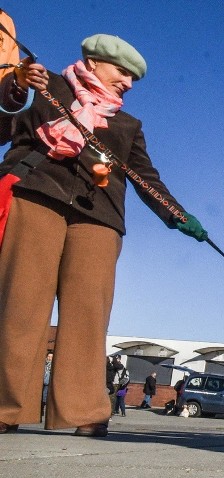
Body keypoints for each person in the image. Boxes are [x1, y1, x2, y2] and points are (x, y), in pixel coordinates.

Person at [0, 34, 208, 438]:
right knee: (21, 305)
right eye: (122, 72)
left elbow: (147, 179)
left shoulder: (127, 125)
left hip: (100, 218)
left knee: (88, 315)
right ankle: (6, 406)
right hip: (36, 195)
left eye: (134, 78)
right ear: (93, 63)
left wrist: (179, 216)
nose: (128, 83)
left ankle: (84, 411)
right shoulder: (45, 88)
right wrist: (17, 85)